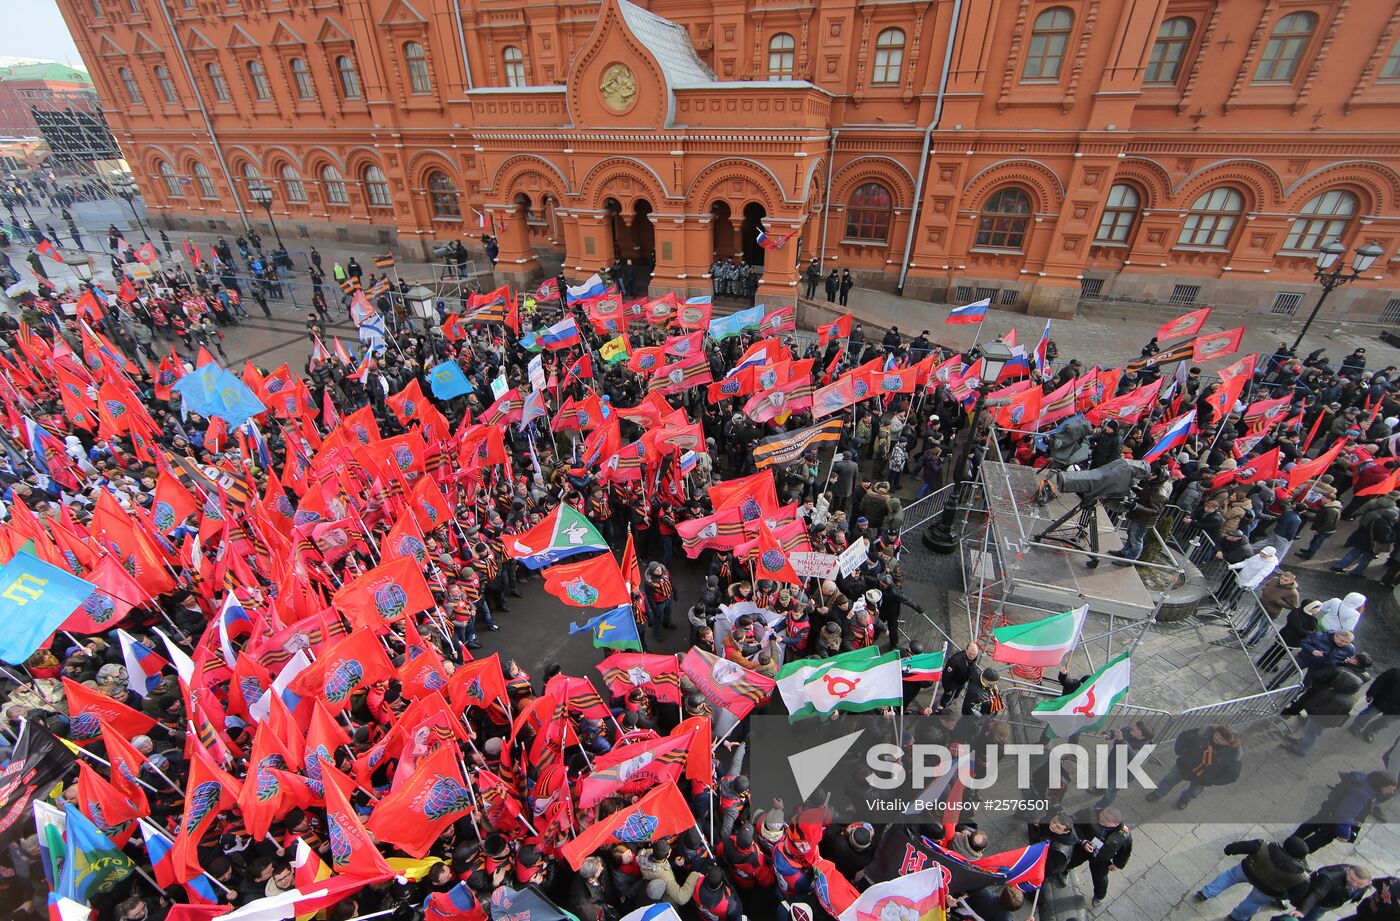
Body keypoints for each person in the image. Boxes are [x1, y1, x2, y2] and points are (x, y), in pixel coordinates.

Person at [1196, 835, 1312, 921]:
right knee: (1253, 903)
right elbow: (1298, 894)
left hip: (1247, 870)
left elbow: (1242, 846)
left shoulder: (1264, 845)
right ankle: (1236, 917)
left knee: (1229, 877)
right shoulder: (1301, 876)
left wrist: (1229, 849)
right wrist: (1284, 896)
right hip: (1268, 890)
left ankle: (1206, 892)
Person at [1292, 770, 1397, 854]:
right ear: (1381, 784)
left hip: (1329, 808)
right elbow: (1346, 814)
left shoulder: (1361, 779)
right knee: (1321, 838)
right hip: (1334, 819)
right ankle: (1297, 853)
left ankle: (1293, 840)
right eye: (1390, 789)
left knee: (1312, 824)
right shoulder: (1363, 795)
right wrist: (1344, 833)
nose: (1391, 792)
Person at [1145, 724, 1242, 809]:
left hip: (1203, 777)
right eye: (1217, 734)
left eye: (1221, 739)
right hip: (1185, 765)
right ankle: (1158, 793)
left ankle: (1185, 799)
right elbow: (1184, 736)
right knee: (1169, 779)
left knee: (1194, 792)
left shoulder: (1232, 755)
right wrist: (1180, 751)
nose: (1217, 738)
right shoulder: (1203, 734)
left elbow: (1232, 775)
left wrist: (1213, 780)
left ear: (1229, 743)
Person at [1066, 806, 1132, 909]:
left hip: (1102, 858)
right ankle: (1064, 872)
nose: (1102, 818)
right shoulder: (1090, 813)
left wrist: (1118, 864)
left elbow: (1125, 852)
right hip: (1084, 848)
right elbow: (1075, 825)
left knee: (1100, 879)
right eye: (1103, 814)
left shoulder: (1124, 835)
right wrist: (1083, 841)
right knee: (1072, 861)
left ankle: (1099, 896)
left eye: (1107, 819)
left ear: (1115, 824)